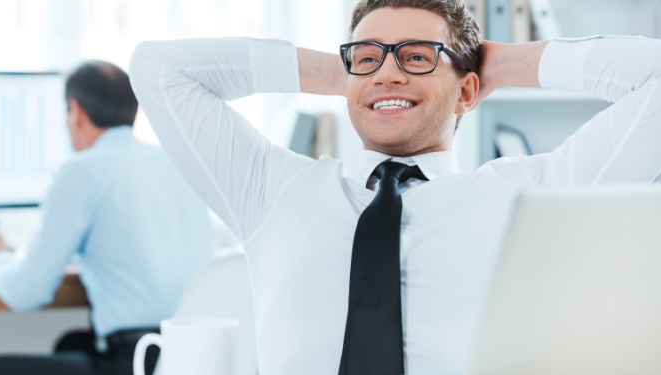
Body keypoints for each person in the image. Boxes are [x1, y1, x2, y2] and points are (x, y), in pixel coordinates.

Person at [128, 0, 661, 374]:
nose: (388, 74)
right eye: (368, 57)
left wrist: (508, 65)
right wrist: (341, 73)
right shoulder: (272, 190)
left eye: (416, 57)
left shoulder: (534, 197)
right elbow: (158, 69)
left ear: (468, 89)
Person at [0, 61, 213, 375]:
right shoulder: (175, 162)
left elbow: (27, 293)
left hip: (134, 361)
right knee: (72, 344)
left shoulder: (82, 170)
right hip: (191, 355)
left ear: (75, 111)